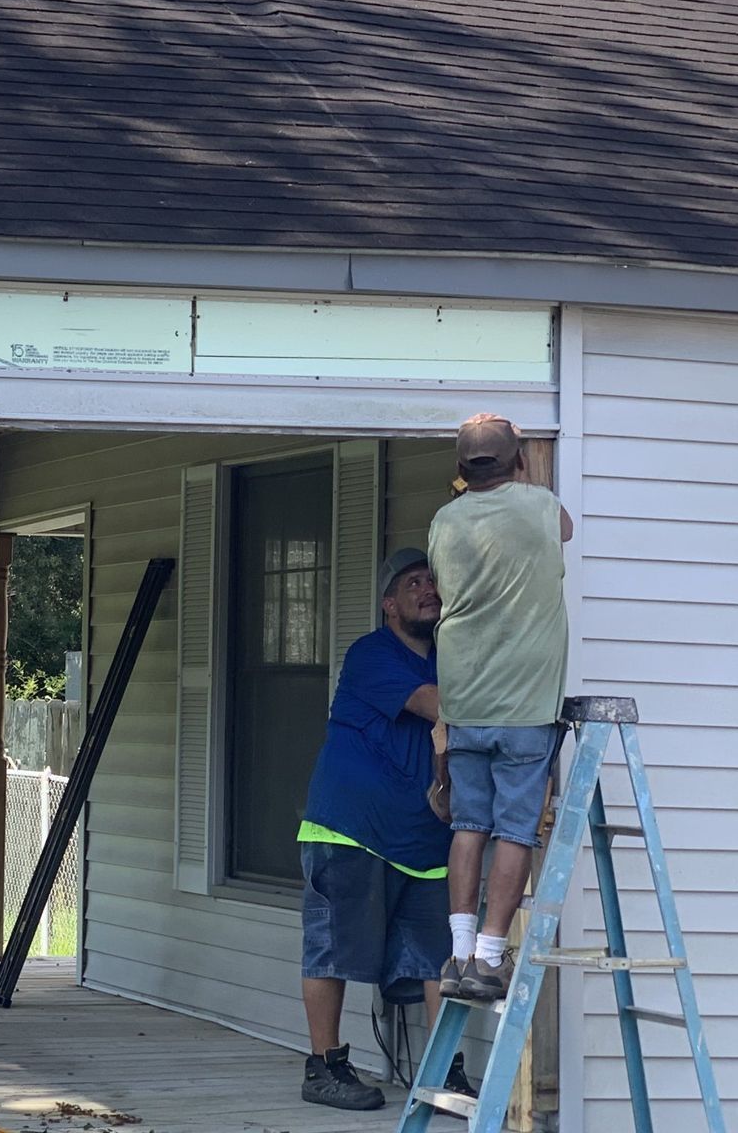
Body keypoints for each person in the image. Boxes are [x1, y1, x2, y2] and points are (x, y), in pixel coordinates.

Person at [295, 547, 473, 1111]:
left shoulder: (451, 656)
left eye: (434, 581)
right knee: (333, 950)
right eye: (414, 582)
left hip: (425, 840)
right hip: (351, 829)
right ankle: (324, 1067)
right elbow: (438, 705)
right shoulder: (371, 653)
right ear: (389, 604)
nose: (428, 590)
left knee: (436, 958)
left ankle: (444, 1074)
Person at [428, 414, 573, 1003]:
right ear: (518, 460)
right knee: (513, 831)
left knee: (468, 826)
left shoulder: (444, 520)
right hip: (524, 703)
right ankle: (489, 958)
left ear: (462, 468)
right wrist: (526, 477)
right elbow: (565, 527)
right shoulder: (540, 507)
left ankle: (459, 955)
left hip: (465, 697)